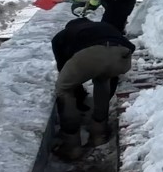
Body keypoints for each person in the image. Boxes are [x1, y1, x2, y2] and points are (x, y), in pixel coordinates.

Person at [49, 17, 135, 160]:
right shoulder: (103, 25)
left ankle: (71, 145)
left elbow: (63, 68)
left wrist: (78, 96)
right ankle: (99, 133)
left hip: (91, 54)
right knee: (103, 80)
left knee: (64, 90)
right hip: (122, 55)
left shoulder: (62, 36)